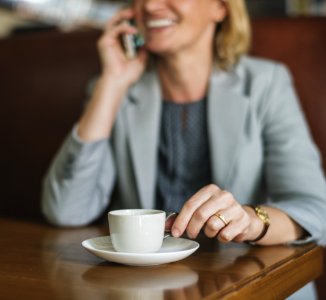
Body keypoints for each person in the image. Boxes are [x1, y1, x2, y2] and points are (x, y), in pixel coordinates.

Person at [42, 0, 326, 298]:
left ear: (220, 8)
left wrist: (251, 220)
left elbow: (316, 210)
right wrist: (111, 82)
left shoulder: (267, 83)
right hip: (148, 288)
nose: (150, 6)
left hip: (249, 284)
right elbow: (66, 210)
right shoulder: (118, 91)